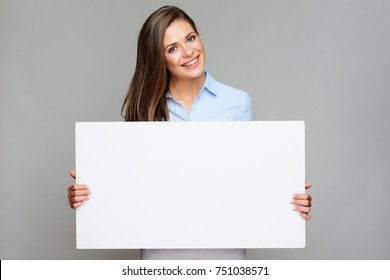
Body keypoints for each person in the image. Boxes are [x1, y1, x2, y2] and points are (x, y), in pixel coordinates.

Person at [67, 5, 312, 260]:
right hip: (161, 256)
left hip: (224, 255)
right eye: (172, 48)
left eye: (190, 38)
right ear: (159, 59)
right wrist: (88, 196)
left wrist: (289, 199)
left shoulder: (238, 103)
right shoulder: (145, 111)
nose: (188, 52)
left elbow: (254, 182)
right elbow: (131, 190)